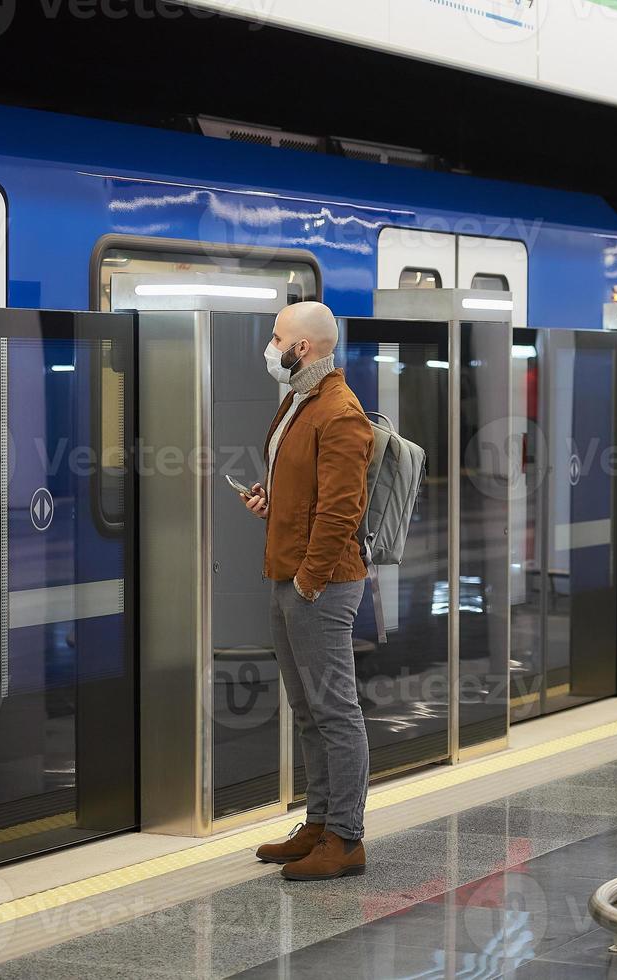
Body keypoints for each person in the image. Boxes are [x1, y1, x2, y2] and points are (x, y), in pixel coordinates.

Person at [242, 301, 374, 881]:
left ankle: (345, 838)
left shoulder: (340, 413)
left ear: (306, 348)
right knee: (307, 709)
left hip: (319, 584)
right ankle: (318, 824)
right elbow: (305, 490)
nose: (270, 346)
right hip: (289, 572)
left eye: (277, 337)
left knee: (335, 710)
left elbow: (343, 510)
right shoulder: (300, 401)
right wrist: (270, 502)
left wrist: (308, 581)